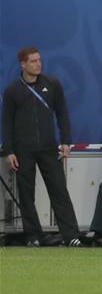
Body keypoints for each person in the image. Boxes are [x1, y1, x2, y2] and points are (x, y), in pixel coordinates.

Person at [1, 47, 82, 247]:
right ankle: (33, 236)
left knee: (59, 191)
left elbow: (62, 113)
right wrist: (9, 151)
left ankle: (71, 235)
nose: (38, 64)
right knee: (26, 194)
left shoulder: (52, 84)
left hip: (48, 147)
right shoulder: (13, 90)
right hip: (23, 150)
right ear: (23, 64)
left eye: (39, 60)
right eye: (33, 61)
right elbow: (6, 123)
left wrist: (65, 141)